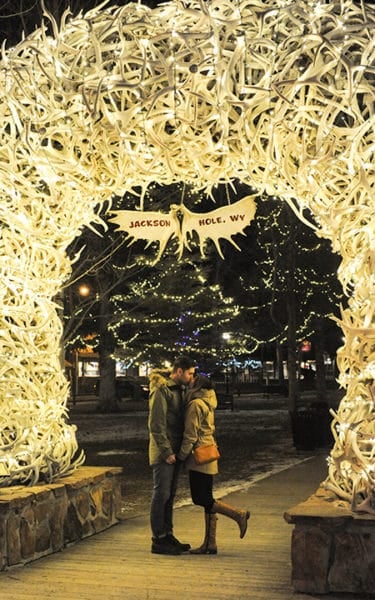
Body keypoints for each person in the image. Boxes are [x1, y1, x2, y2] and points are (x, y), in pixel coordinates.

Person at [178, 374, 250, 554]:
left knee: (201, 498)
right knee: (206, 497)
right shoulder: (208, 402)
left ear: (197, 386)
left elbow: (190, 435)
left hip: (198, 455)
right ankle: (210, 543)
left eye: (192, 381)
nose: (189, 382)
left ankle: (238, 514)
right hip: (210, 451)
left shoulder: (195, 404)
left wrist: (181, 456)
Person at [148, 355, 196, 555]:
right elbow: (156, 424)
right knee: (162, 493)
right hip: (164, 452)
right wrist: (167, 452)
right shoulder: (162, 390)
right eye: (190, 373)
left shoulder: (182, 390)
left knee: (171, 495)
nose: (192, 377)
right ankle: (158, 538)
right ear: (179, 372)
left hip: (176, 451)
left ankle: (168, 534)